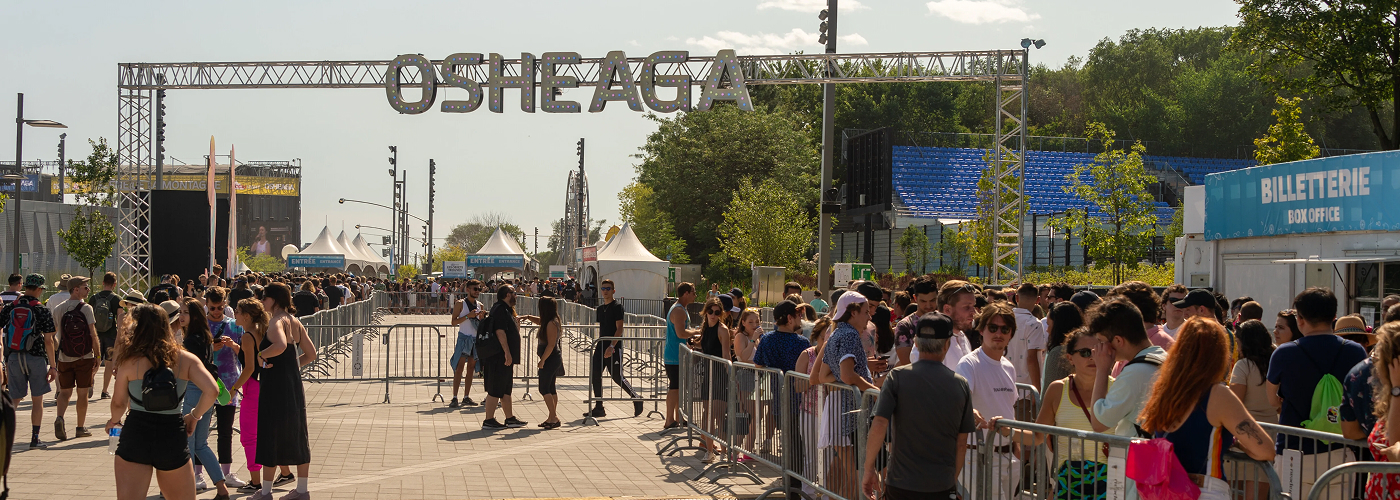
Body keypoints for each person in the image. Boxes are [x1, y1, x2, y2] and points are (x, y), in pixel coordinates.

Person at [1138, 317, 1276, 500]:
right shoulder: (1218, 394)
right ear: (1220, 354)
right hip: (1203, 490)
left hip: (1166, 488)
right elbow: (1265, 450)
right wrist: (1238, 443)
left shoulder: (1163, 390)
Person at [105, 302, 220, 500]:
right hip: (171, 432)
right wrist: (194, 416)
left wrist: (114, 422)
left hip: (137, 431)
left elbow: (118, 403)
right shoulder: (185, 358)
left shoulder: (130, 361)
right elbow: (212, 390)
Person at [862, 312, 974, 500]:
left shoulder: (897, 377)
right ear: (947, 344)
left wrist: (868, 469)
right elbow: (961, 443)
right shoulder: (960, 384)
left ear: (916, 342)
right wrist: (951, 483)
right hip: (940, 485)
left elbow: (879, 424)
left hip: (901, 482)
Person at [1267, 287, 1366, 498]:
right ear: (1334, 317)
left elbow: (1271, 398)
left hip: (1294, 449)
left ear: (1300, 319)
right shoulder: (1355, 351)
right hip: (1341, 449)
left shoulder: (1284, 353)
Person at [252, 283, 316, 500]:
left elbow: (279, 345)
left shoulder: (276, 321)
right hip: (292, 384)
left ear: (274, 299)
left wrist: (261, 355)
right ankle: (302, 489)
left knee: (270, 433)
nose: (261, 301)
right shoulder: (295, 321)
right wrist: (292, 366)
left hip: (274, 386)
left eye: (264, 297)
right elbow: (311, 354)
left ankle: (266, 491)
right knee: (297, 433)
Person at [956, 302, 1022, 500]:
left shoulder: (1008, 366)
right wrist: (971, 411)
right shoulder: (969, 364)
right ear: (982, 330)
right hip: (978, 456)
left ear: (1011, 333)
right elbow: (959, 403)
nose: (998, 333)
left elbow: (1009, 408)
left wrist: (1016, 448)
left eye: (1005, 329)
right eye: (993, 327)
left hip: (1008, 456)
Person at [820, 291, 878, 500]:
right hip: (852, 415)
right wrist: (873, 391)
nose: (869, 316)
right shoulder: (850, 334)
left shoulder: (836, 333)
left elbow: (822, 375)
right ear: (852, 313)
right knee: (858, 478)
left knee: (853, 476)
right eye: (865, 312)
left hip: (841, 411)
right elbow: (847, 374)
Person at [753, 299, 811, 497]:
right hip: (800, 400)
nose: (800, 319)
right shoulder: (801, 342)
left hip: (778, 398)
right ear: (789, 318)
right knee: (799, 445)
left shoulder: (767, 339)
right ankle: (795, 486)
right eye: (798, 315)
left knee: (787, 442)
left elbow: (758, 364)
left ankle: (789, 483)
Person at [176, 298, 232, 498]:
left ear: (195, 316)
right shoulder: (204, 336)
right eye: (180, 312)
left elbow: (186, 370)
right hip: (207, 393)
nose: (181, 316)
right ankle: (221, 487)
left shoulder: (192, 340)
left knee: (189, 445)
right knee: (200, 444)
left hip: (194, 391)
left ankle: (186, 490)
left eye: (185, 312)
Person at [1089, 297, 1165, 439]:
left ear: (1118, 340)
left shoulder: (1135, 373)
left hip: (1141, 457)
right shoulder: (1163, 357)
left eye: (1101, 341)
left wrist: (1102, 370)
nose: (1098, 348)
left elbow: (1098, 423)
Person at [3, 273, 58, 449]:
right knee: (37, 400)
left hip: (13, 356)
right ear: (40, 289)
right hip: (35, 358)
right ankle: (35, 439)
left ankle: (3, 437)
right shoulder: (42, 310)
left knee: (14, 399)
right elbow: (49, 341)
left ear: (25, 286)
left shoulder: (12, 306)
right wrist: (53, 366)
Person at [205, 287, 249, 488]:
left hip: (229, 383)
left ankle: (227, 472)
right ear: (206, 304)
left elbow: (245, 355)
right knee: (200, 431)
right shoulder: (200, 326)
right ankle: (198, 474)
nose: (216, 311)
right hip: (204, 383)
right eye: (212, 307)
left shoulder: (234, 326)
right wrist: (209, 349)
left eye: (220, 307)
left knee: (225, 430)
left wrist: (233, 346)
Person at [48, 275, 99, 443]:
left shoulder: (59, 309)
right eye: (85, 287)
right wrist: (97, 356)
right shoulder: (86, 308)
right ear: (75, 289)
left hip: (64, 357)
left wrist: (58, 351)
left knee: (64, 392)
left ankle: (60, 418)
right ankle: (80, 428)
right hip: (84, 356)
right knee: (82, 393)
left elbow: (53, 335)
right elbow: (93, 334)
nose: (88, 289)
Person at [588, 279, 642, 418]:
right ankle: (599, 406)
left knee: (617, 376)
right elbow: (602, 327)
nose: (605, 291)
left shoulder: (617, 307)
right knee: (595, 374)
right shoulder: (600, 309)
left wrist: (612, 346)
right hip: (601, 345)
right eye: (603, 288)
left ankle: (636, 398)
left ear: (613, 291)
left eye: (608, 288)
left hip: (613, 346)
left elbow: (619, 329)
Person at [481, 285, 529, 430]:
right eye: (515, 293)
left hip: (504, 357)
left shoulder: (506, 309)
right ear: (508, 294)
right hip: (498, 356)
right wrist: (507, 352)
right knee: (495, 388)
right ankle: (489, 420)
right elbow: (500, 331)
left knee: (505, 388)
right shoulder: (500, 309)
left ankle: (510, 418)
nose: (516, 295)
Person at [1365, 323, 1400, 500]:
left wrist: (1397, 388)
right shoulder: (1391, 396)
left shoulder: (1396, 394)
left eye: (1378, 356)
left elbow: (1394, 442)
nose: (1374, 361)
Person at [697, 295, 733, 463]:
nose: (713, 314)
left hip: (719, 376)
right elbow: (705, 345)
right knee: (707, 415)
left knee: (718, 416)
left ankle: (725, 452)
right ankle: (709, 451)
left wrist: (731, 378)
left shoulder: (722, 329)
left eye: (717, 312)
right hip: (707, 375)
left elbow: (726, 355)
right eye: (710, 311)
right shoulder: (705, 327)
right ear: (705, 311)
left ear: (721, 314)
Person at [664, 283, 701, 430]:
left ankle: (678, 417)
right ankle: (669, 420)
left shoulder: (681, 308)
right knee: (674, 387)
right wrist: (697, 332)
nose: (695, 295)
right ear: (685, 293)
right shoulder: (679, 310)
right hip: (674, 356)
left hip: (678, 354)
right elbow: (681, 333)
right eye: (693, 292)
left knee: (678, 387)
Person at [1229, 319, 1279, 423]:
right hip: (1275, 429)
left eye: (1238, 343)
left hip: (1249, 430)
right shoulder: (1276, 363)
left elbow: (1234, 404)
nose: (1237, 349)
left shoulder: (1243, 366)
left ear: (1247, 343)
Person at [449, 279, 485, 408]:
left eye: (479, 289)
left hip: (475, 340)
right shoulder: (460, 304)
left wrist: (481, 318)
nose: (477, 291)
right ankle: (454, 397)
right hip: (464, 339)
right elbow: (453, 322)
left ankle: (466, 396)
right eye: (475, 289)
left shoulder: (480, 305)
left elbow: (482, 325)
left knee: (471, 368)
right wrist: (468, 316)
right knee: (459, 368)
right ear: (468, 290)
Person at [1009, 283, 1047, 393]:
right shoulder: (1034, 323)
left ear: (1016, 298)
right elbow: (1032, 359)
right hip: (1025, 388)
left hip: (1003, 383)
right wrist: (1037, 389)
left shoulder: (1004, 319)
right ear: (1038, 300)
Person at [893, 275, 939, 367]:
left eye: (932, 300)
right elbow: (907, 364)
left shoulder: (945, 321)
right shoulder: (905, 326)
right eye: (923, 301)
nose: (928, 305)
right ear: (915, 298)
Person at [1041, 302, 1085, 396]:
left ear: (1058, 326)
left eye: (1049, 325)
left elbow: (1049, 393)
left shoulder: (1057, 353)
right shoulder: (1087, 350)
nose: (1047, 330)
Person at [95, 272, 122, 399]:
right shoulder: (117, 299)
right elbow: (120, 320)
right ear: (114, 284)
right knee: (108, 362)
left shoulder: (94, 298)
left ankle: (90, 382)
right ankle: (104, 391)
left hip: (96, 334)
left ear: (103, 283)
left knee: (96, 360)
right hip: (111, 334)